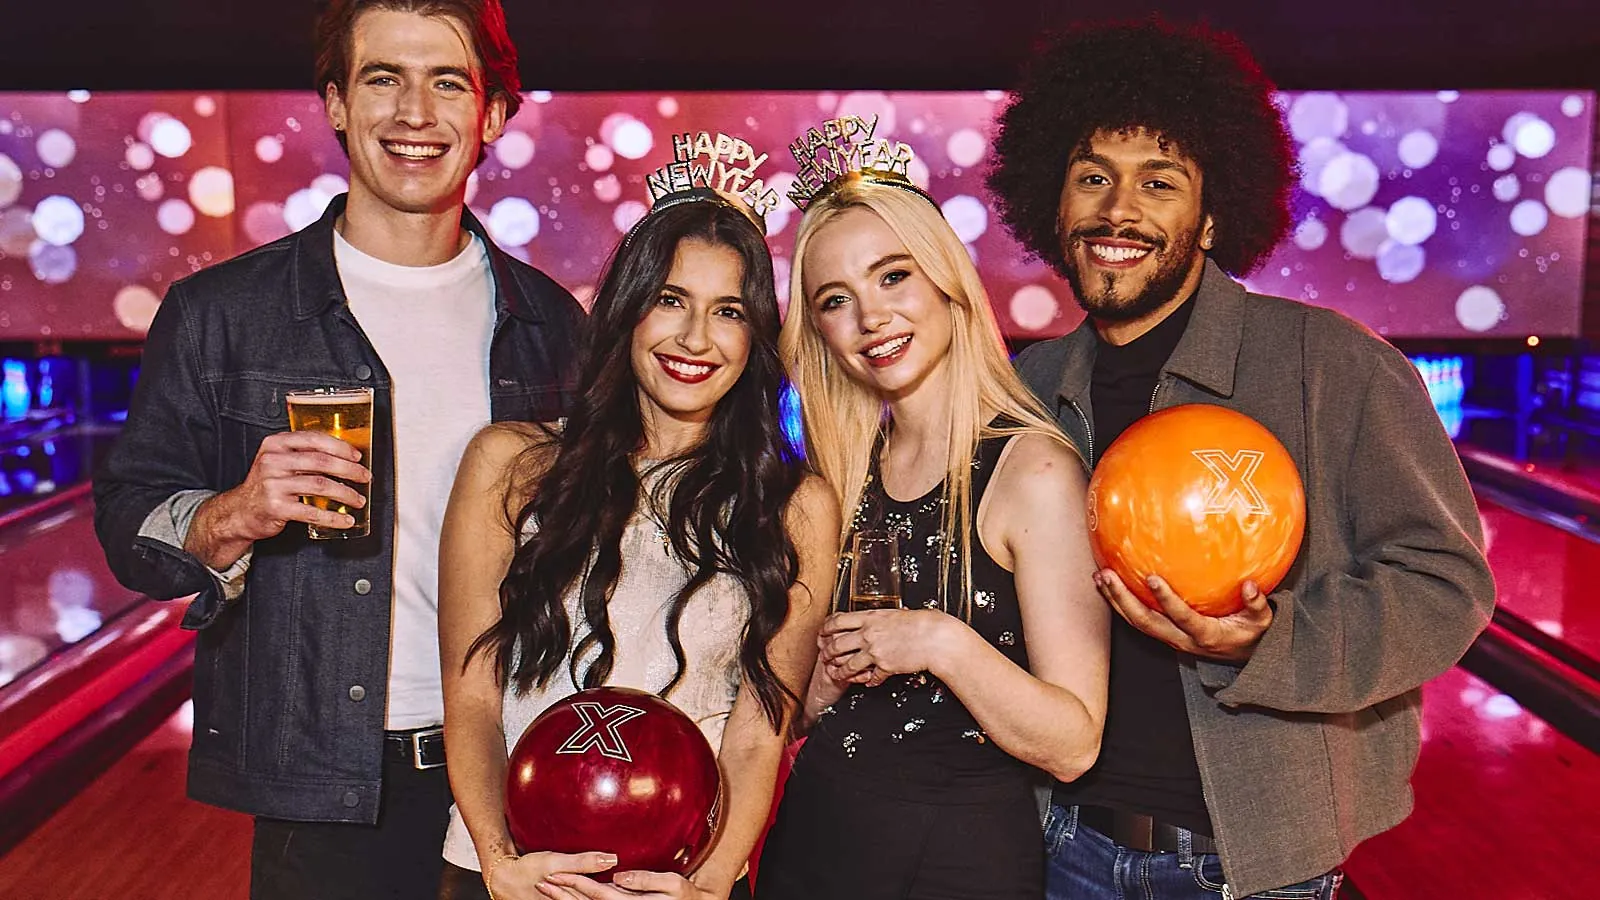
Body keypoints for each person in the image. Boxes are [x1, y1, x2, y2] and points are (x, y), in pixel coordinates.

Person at [985, 18, 1497, 900]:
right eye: (1092, 178)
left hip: (1254, 870)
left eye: (1160, 182)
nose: (1119, 210)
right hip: (1061, 847)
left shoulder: (1331, 365)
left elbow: (1447, 584)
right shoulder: (1026, 386)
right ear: (1052, 205)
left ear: (1213, 215)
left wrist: (1270, 640)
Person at [91, 1, 585, 897]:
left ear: (494, 115)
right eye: (382, 79)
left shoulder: (554, 326)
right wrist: (232, 513)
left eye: (447, 82)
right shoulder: (221, 316)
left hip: (518, 758)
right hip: (323, 786)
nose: (413, 113)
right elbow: (128, 525)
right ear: (336, 104)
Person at [435, 178, 839, 900]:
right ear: (628, 308)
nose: (695, 338)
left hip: (680, 881)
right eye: (670, 300)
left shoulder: (794, 505)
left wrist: (711, 885)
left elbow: (758, 730)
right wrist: (499, 863)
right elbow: (471, 698)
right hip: (513, 874)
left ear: (756, 335)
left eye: (729, 312)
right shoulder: (511, 464)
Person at [755, 150, 1111, 900]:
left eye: (893, 276)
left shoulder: (1033, 472)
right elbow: (799, 713)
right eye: (834, 299)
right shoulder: (842, 471)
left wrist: (938, 640)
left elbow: (1074, 742)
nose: (871, 317)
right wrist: (818, 683)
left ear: (946, 280)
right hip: (814, 837)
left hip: (958, 859)